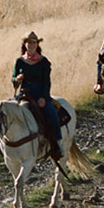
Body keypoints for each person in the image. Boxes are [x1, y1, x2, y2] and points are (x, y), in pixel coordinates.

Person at [11, 33, 64, 162]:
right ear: (25, 45)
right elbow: (13, 80)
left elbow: (47, 82)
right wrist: (16, 79)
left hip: (40, 93)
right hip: (24, 93)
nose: (31, 45)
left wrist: (44, 97)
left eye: (34, 43)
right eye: (29, 42)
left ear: (37, 45)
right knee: (9, 112)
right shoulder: (19, 61)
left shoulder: (43, 61)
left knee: (51, 113)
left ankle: (56, 144)